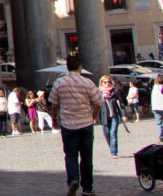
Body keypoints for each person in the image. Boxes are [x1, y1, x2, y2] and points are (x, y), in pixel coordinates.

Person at [50, 53, 102, 196]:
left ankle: (73, 180)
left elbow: (54, 103)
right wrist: (93, 117)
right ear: (80, 67)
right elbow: (97, 103)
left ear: (67, 68)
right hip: (86, 123)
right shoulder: (88, 83)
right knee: (86, 157)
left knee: (71, 156)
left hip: (68, 125)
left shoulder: (59, 83)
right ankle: (87, 188)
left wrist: (54, 118)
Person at [97, 75, 124, 159]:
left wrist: (124, 114)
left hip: (114, 116)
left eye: (109, 82)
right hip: (104, 117)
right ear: (101, 83)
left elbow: (121, 103)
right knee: (107, 134)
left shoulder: (114, 91)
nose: (107, 83)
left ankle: (114, 152)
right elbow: (95, 106)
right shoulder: (98, 93)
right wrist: (94, 117)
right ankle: (111, 148)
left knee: (113, 133)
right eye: (105, 82)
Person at [153, 75, 163, 141]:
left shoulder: (154, 87)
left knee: (159, 123)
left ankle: (160, 136)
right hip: (162, 106)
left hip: (155, 107)